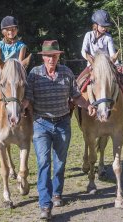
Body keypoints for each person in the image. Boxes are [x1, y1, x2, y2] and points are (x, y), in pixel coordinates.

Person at [23, 40, 95, 220]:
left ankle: (57, 193)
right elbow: (28, 99)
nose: (51, 59)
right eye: (48, 56)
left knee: (60, 162)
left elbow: (76, 96)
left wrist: (88, 106)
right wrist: (16, 108)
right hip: (41, 124)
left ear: (58, 56)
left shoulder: (66, 72)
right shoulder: (34, 74)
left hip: (63, 123)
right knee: (43, 163)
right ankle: (45, 205)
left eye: (54, 56)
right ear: (43, 57)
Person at [79, 9, 123, 114]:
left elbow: (112, 54)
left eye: (106, 26)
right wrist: (89, 59)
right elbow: (83, 51)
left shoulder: (108, 38)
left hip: (107, 67)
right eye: (102, 26)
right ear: (96, 25)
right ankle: (70, 106)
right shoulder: (88, 35)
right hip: (92, 66)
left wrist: (116, 65)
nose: (105, 28)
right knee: (78, 82)